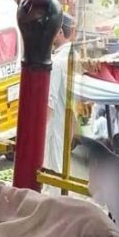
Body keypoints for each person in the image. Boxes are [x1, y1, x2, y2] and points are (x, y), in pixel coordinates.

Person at [45, 13, 77, 179]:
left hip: (54, 130)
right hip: (67, 129)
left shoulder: (57, 63)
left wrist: (40, 134)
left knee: (52, 175)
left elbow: (49, 103)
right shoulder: (74, 57)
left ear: (58, 31)